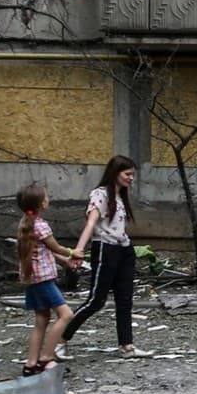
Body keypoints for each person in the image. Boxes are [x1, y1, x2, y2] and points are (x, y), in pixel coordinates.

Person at [62, 155, 155, 360]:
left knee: (125, 300)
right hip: (105, 249)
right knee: (96, 300)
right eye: (127, 174)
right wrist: (78, 250)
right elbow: (90, 223)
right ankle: (60, 339)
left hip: (124, 249)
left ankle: (127, 347)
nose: (131, 178)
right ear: (115, 173)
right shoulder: (100, 194)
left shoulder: (120, 197)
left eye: (133, 175)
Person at [16, 183, 82, 376]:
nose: (48, 199)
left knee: (42, 319)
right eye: (46, 196)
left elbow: (43, 251)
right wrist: (73, 252)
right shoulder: (41, 226)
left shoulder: (25, 223)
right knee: (66, 315)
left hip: (32, 279)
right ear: (41, 203)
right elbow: (55, 247)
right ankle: (46, 359)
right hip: (43, 280)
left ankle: (31, 364)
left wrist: (65, 261)